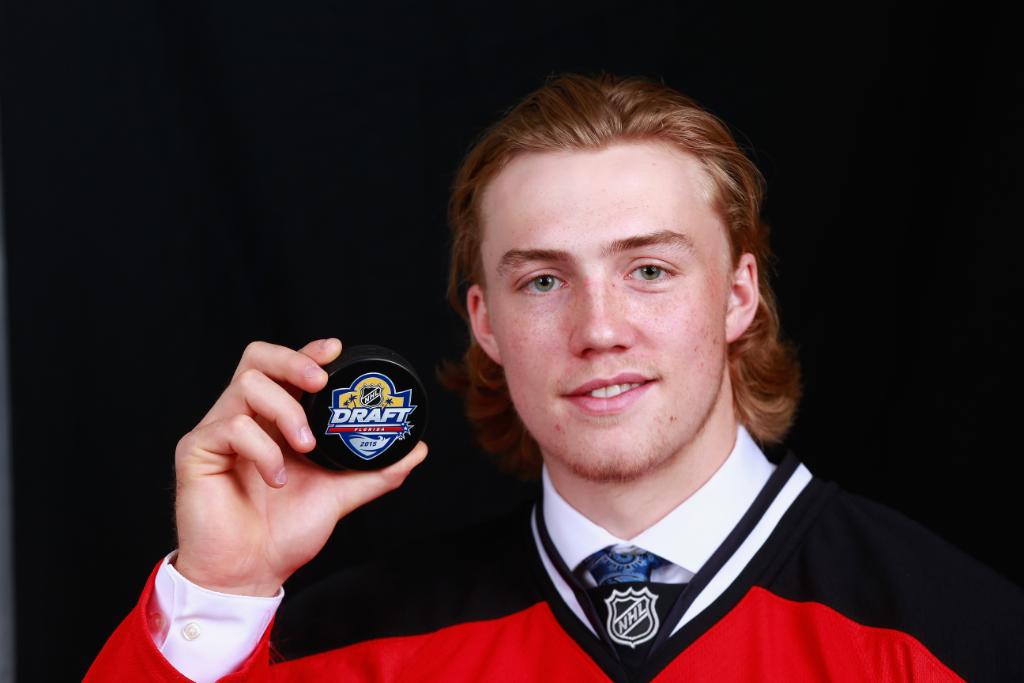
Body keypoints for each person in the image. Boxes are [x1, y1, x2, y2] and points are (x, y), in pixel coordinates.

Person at [86, 73, 1023, 682]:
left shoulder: (960, 635)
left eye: (649, 269)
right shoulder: (342, 647)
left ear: (739, 295)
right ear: (486, 323)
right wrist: (221, 590)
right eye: (543, 281)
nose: (599, 329)